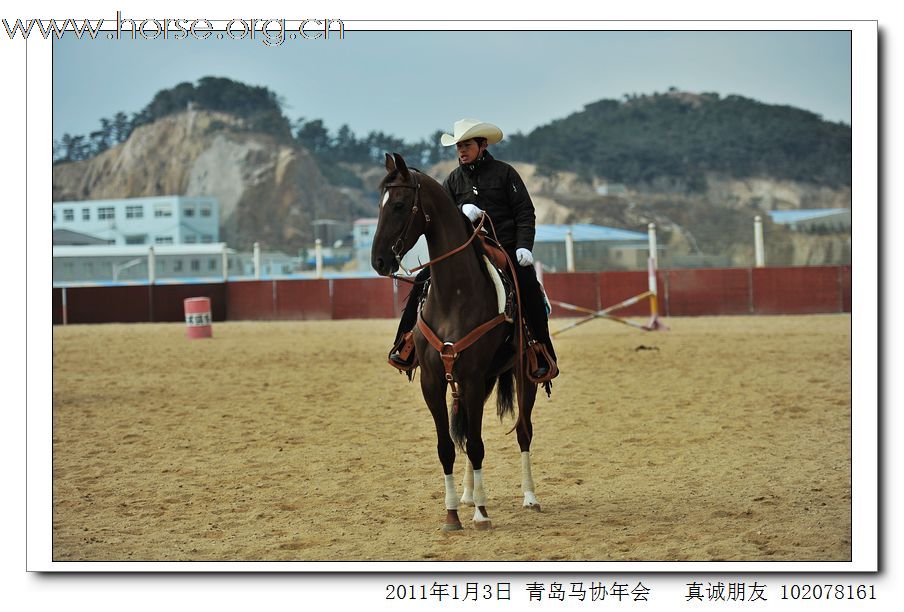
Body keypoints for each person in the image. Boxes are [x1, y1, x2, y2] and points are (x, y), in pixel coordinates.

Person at [389, 118, 558, 380]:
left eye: (466, 145)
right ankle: (406, 341)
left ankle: (541, 350)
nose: (461, 151)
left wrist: (524, 247)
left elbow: (525, 212)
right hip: (464, 249)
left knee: (529, 287)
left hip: (505, 247)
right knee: (422, 281)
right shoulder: (453, 180)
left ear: (482, 145)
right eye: (458, 146)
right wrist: (460, 212)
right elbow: (440, 218)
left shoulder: (505, 173)